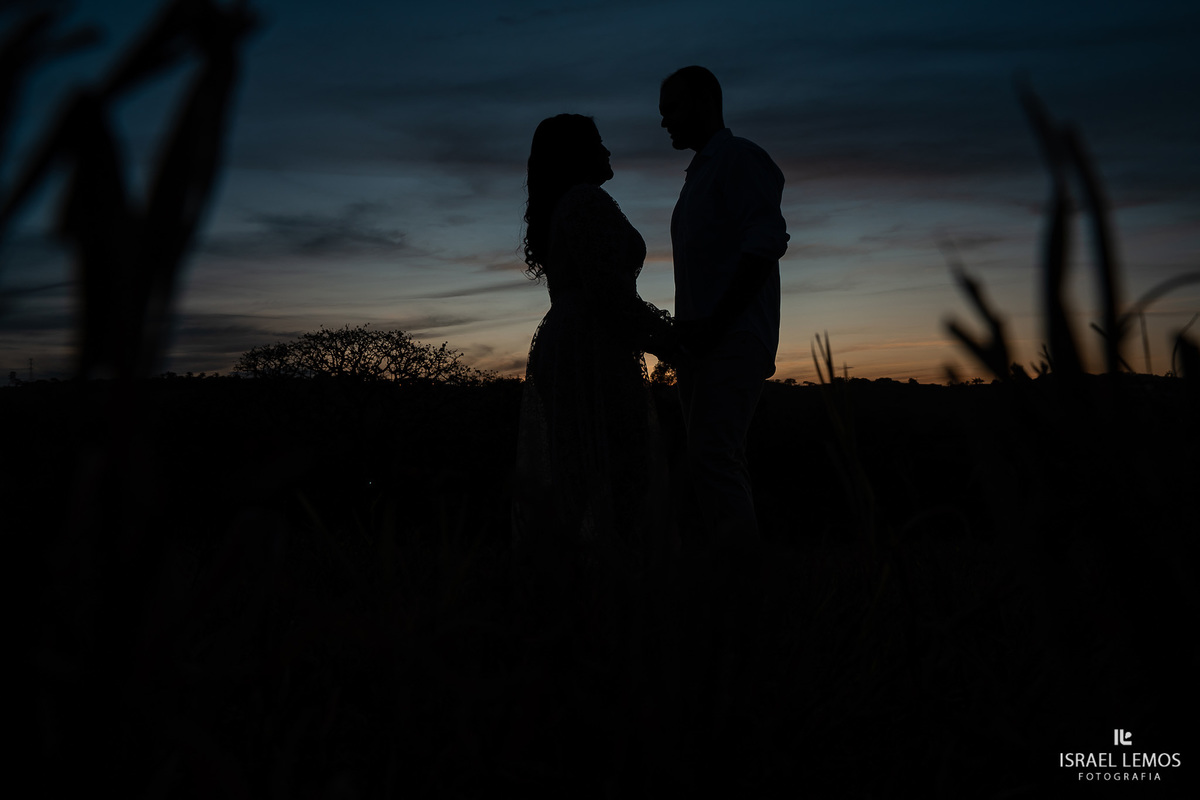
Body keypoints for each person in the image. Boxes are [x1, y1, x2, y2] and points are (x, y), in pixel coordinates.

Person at [512, 113, 678, 579]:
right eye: (598, 143)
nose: (607, 151)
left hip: (574, 340)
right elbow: (609, 295)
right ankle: (611, 582)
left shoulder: (566, 204)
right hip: (590, 346)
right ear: (576, 155)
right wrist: (675, 342)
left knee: (581, 471)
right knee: (620, 469)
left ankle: (576, 580)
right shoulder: (585, 200)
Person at [659, 66, 789, 559]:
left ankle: (743, 574)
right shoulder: (700, 173)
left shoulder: (739, 158)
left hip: (733, 337)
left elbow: (765, 244)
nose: (665, 121)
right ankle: (732, 566)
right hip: (703, 342)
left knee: (712, 456)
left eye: (672, 109)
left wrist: (716, 325)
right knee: (713, 457)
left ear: (704, 102)